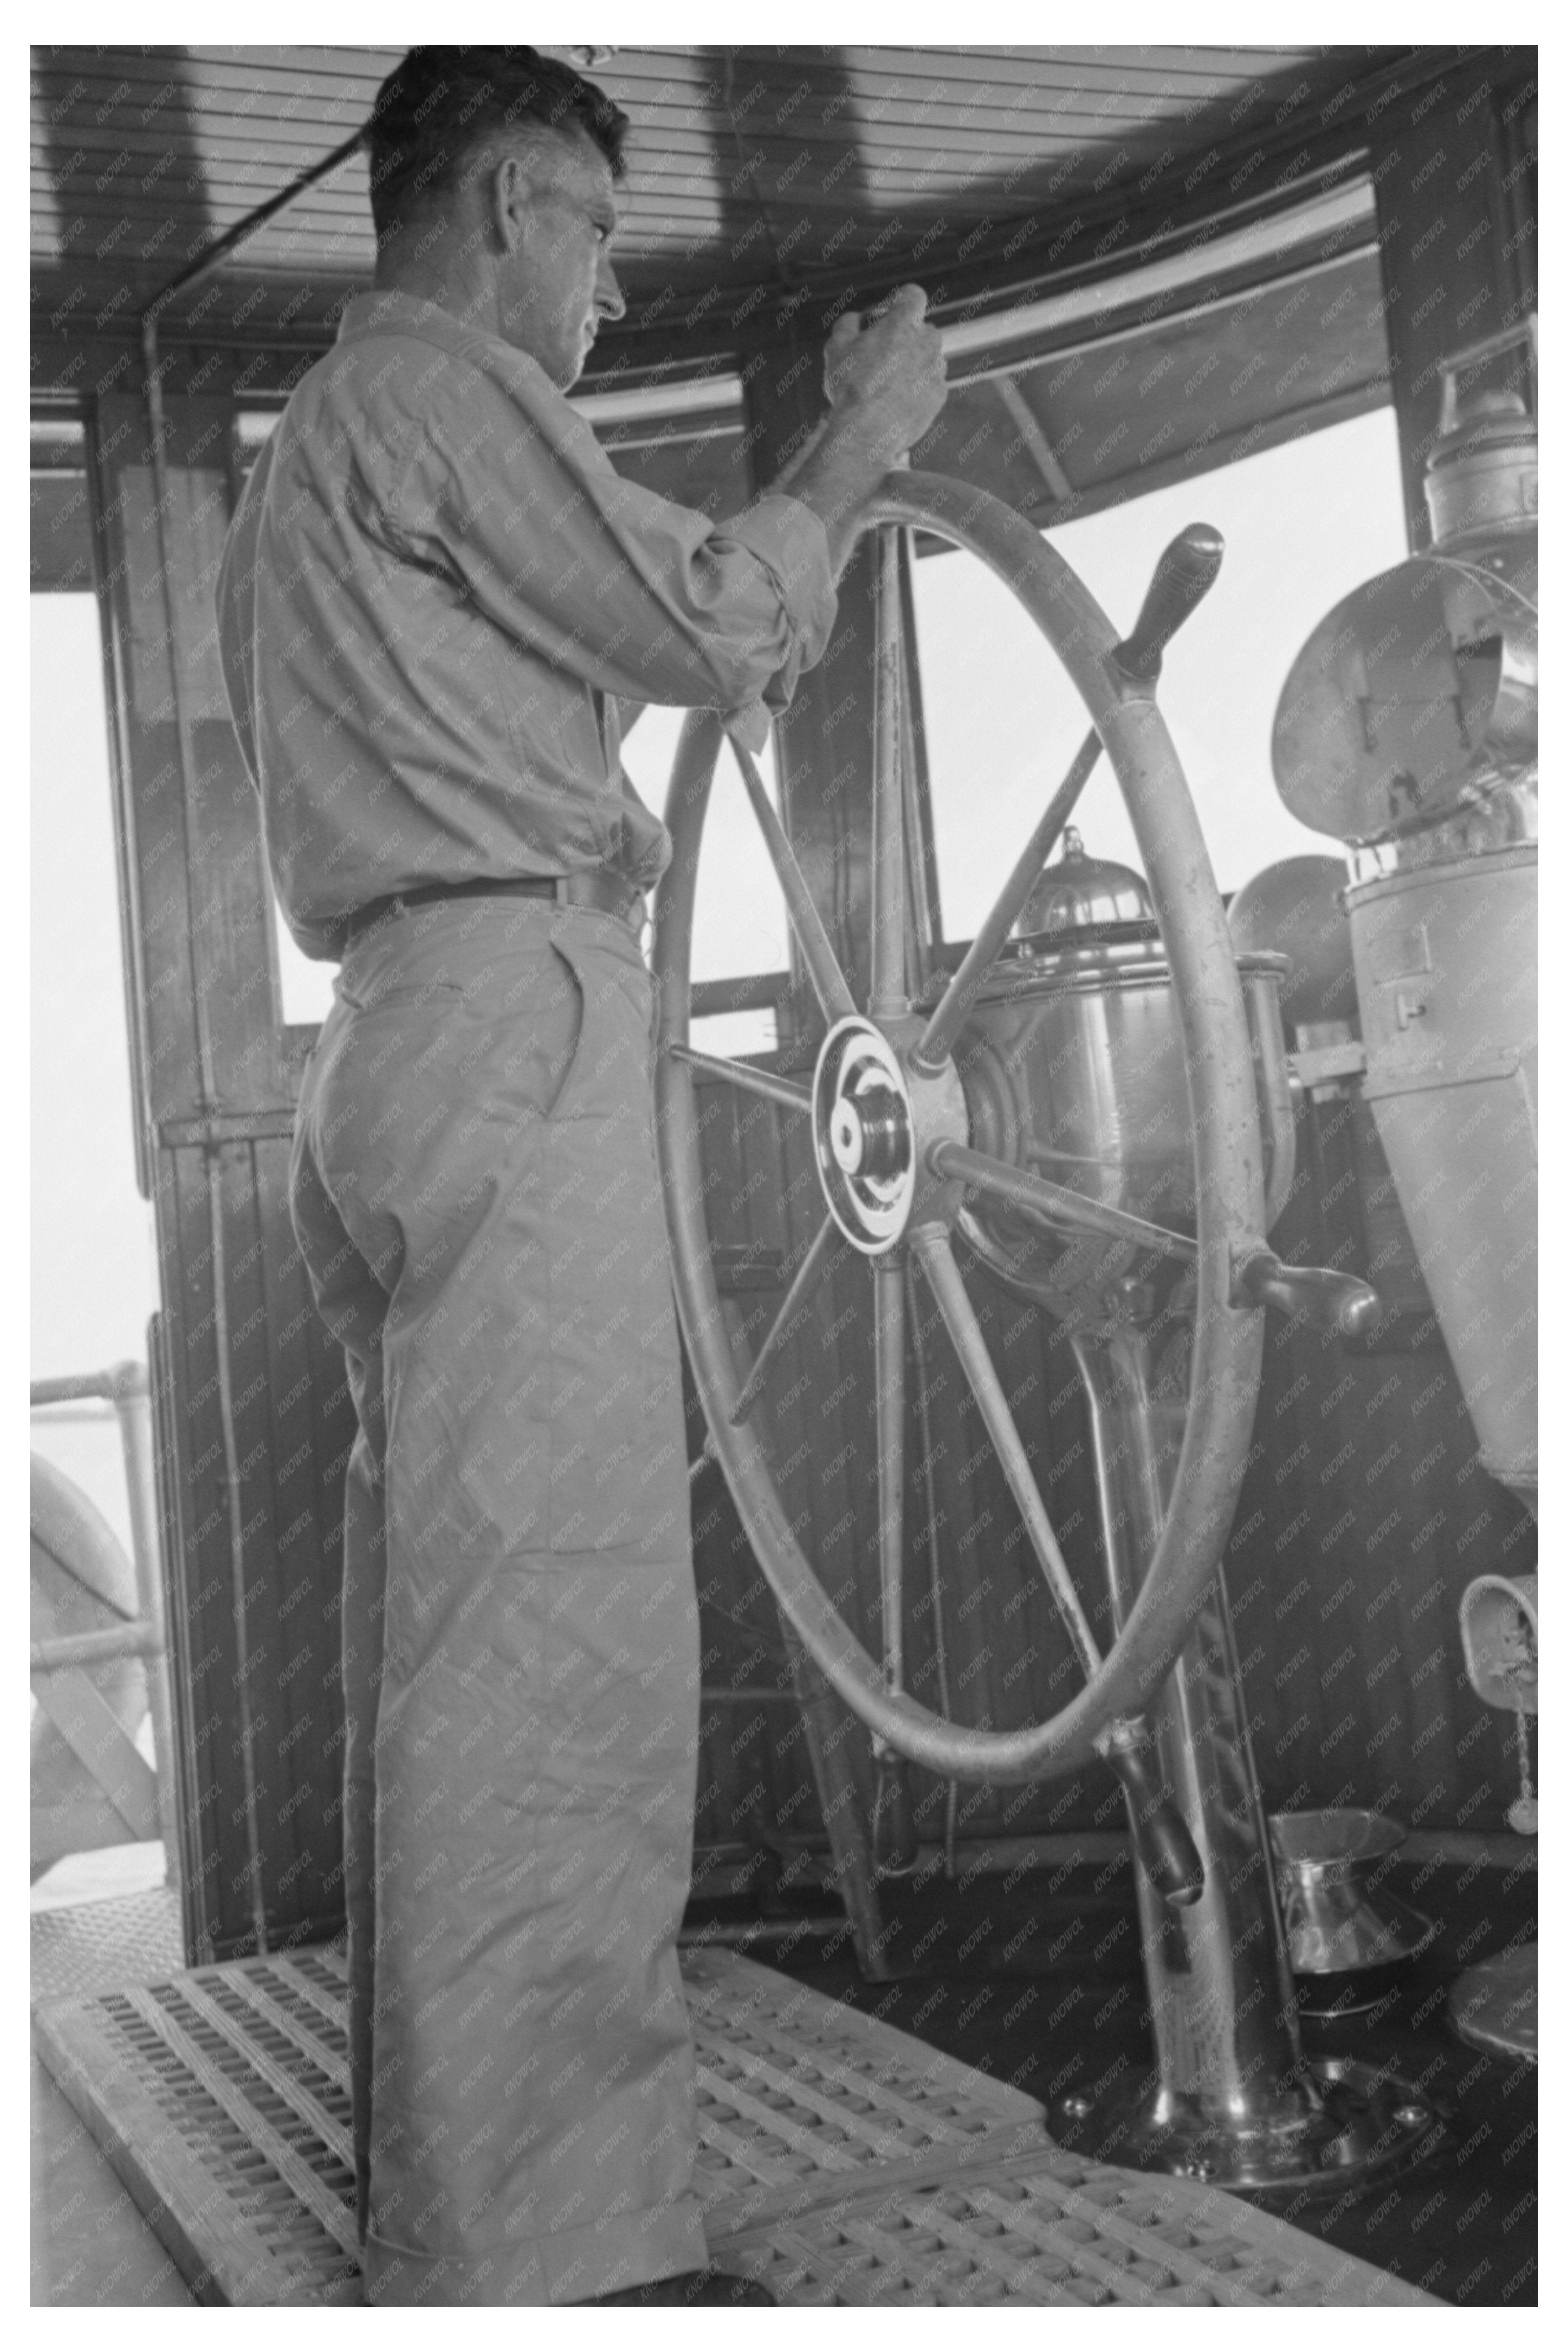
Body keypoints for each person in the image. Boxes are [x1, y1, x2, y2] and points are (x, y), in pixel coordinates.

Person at [217, 44, 945, 2308]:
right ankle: (557, 2274)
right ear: (516, 203)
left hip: (403, 1038)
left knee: (468, 1644)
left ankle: (462, 2220)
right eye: (605, 242)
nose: (613, 295)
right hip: (512, 1023)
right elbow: (718, 623)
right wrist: (856, 443)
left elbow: (597, 635)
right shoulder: (434, 391)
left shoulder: (312, 456)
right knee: (560, 1646)